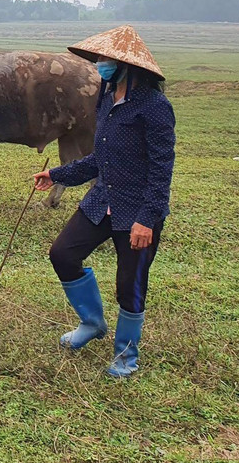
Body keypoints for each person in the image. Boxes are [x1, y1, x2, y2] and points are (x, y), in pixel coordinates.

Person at [32, 25, 175, 378]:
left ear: (128, 65)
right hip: (103, 201)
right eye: (98, 58)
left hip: (138, 211)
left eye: (106, 59)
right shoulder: (107, 99)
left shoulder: (155, 108)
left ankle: (126, 355)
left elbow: (161, 171)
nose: (99, 64)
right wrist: (58, 175)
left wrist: (147, 219)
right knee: (62, 254)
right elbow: (101, 158)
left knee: (130, 285)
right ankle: (92, 323)